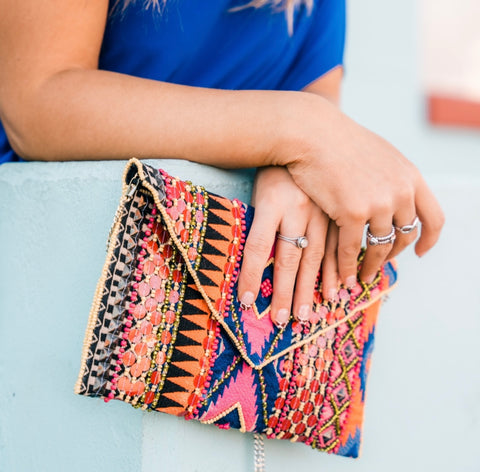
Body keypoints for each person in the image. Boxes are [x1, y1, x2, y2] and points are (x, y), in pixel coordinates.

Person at [0, 0, 444, 328]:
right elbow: (35, 103)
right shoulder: (299, 127)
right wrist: (294, 129)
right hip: (44, 283)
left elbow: (317, 97)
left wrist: (290, 167)